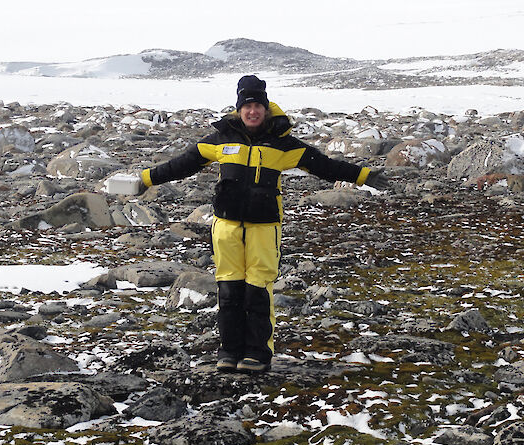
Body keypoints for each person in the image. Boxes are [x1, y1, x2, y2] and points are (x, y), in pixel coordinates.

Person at [139, 75, 389, 374]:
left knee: (258, 290)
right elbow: (183, 163)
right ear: (239, 109)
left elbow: (324, 165)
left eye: (258, 105)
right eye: (247, 106)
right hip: (226, 228)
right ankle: (229, 350)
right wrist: (146, 179)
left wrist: (363, 175)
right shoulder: (221, 138)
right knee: (229, 290)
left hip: (264, 227)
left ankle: (257, 353)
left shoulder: (282, 144)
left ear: (266, 108)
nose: (253, 111)